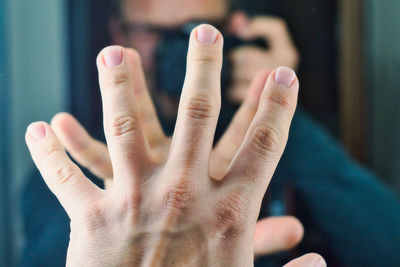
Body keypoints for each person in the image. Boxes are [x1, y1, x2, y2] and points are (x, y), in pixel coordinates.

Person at [21, 0, 400, 266]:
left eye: (194, 31)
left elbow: (388, 247)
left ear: (232, 33)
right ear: (121, 33)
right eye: (154, 33)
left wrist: (276, 111)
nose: (176, 51)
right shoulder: (80, 159)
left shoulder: (278, 147)